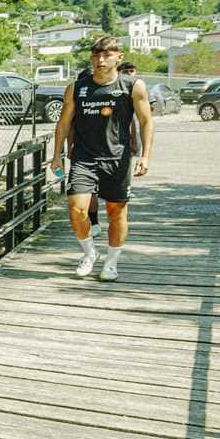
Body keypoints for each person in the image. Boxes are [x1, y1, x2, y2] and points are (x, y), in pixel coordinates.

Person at [51, 35, 154, 281]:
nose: (101, 60)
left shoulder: (133, 86)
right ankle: (89, 253)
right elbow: (63, 123)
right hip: (84, 157)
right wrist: (56, 156)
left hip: (117, 158)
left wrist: (145, 156)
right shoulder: (77, 88)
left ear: (119, 56)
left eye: (107, 55)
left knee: (116, 211)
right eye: (96, 55)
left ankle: (111, 262)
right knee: (77, 209)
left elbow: (146, 121)